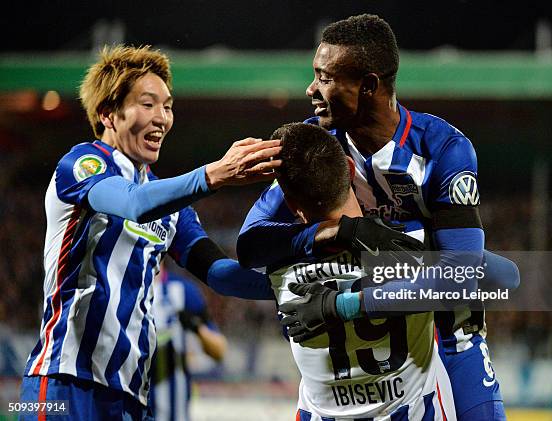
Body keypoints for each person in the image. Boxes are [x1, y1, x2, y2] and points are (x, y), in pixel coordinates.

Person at [238, 15, 516, 421]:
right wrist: (336, 231)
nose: (310, 89)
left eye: (324, 77)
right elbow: (252, 243)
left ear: (368, 86)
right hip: (374, 359)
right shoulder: (319, 146)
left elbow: (463, 276)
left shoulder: (443, 149)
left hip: (449, 340)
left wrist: (343, 305)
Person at [19, 45, 277, 420]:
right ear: (108, 113)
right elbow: (134, 203)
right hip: (63, 384)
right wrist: (213, 174)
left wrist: (293, 285)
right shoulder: (82, 164)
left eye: (168, 106)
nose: (162, 118)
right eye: (148, 104)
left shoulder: (173, 209)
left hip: (131, 398)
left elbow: (220, 274)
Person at [269, 122, 456, 420]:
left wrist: (339, 305)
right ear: (350, 168)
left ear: (292, 205)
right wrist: (346, 305)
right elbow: (499, 275)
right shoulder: (412, 245)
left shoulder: (280, 269)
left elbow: (223, 276)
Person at [150, 263, 226, 421]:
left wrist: (196, 327)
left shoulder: (184, 291)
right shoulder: (123, 290)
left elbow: (220, 350)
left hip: (174, 411)